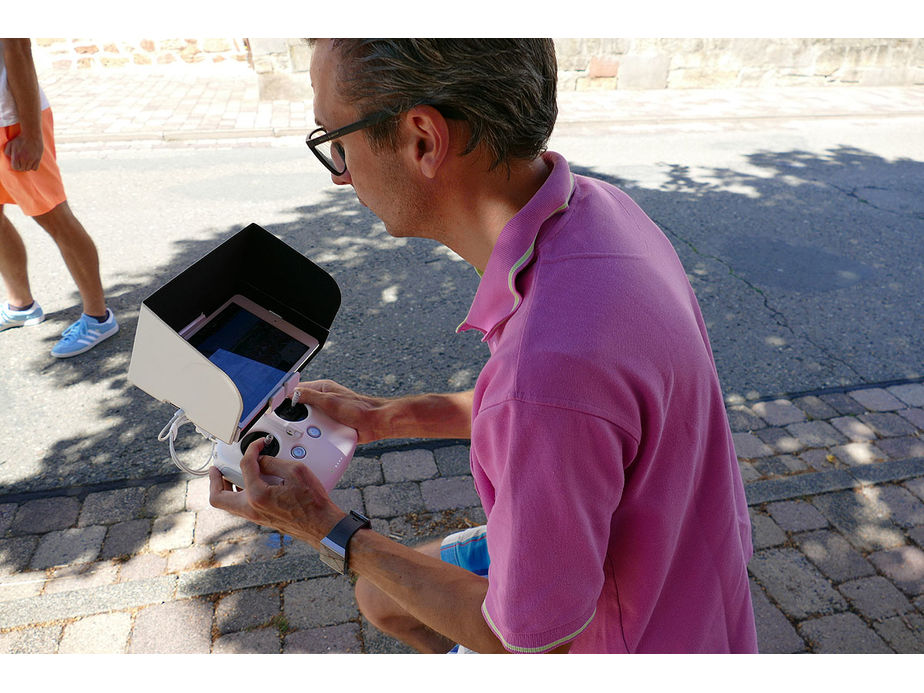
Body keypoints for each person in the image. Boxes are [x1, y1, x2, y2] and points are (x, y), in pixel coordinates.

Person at [210, 38, 758, 654]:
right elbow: (567, 417)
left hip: (628, 634)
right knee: (381, 597)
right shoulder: (600, 209)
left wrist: (325, 528)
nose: (341, 174)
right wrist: (383, 418)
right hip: (691, 560)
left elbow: (526, 641)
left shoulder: (547, 370)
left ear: (422, 138)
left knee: (385, 583)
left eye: (336, 139)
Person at [0, 38, 118, 357]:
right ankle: (21, 305)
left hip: (11, 122)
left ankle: (98, 317)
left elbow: (18, 49)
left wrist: (31, 134)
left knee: (54, 217)